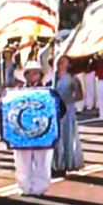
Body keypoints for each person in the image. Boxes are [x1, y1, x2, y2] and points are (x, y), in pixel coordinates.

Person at [13, 61, 65, 196]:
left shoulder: (49, 92)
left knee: (42, 161)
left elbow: (61, 109)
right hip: (23, 132)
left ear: (40, 75)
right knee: (23, 160)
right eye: (29, 73)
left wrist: (51, 120)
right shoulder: (18, 92)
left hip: (43, 132)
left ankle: (40, 187)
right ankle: (25, 186)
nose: (32, 76)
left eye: (35, 73)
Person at [52, 56, 84, 176]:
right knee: (55, 137)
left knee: (65, 136)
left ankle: (65, 163)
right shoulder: (52, 77)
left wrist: (68, 100)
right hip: (54, 110)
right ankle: (55, 164)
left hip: (67, 110)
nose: (61, 62)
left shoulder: (72, 78)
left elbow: (80, 95)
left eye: (64, 60)